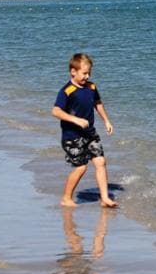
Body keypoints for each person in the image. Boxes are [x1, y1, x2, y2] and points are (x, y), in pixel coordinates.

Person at [51, 53, 118, 208]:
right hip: (72, 136)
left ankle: (105, 198)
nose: (87, 77)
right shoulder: (67, 91)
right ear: (73, 72)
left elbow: (98, 103)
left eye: (89, 73)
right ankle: (66, 198)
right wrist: (75, 119)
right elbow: (56, 111)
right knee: (81, 167)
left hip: (90, 133)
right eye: (84, 73)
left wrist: (107, 121)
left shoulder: (91, 87)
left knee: (101, 161)